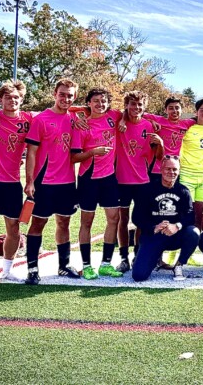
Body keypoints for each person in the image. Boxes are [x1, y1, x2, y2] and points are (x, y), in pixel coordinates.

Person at [23, 78, 83, 285]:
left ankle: (64, 265)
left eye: (70, 95)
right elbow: (31, 153)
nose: (66, 98)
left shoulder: (74, 119)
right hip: (44, 182)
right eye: (62, 94)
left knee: (64, 222)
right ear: (54, 94)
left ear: (74, 97)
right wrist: (30, 181)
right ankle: (32, 268)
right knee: (38, 223)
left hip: (67, 182)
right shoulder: (41, 119)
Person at [0, 80, 33, 285]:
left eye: (16, 97)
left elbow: (59, 110)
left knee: (14, 228)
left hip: (12, 183)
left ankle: (8, 271)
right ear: (0, 100)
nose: (12, 101)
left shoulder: (28, 120)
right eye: (8, 97)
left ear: (22, 99)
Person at [70, 87, 121, 279]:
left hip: (109, 178)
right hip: (88, 179)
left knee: (113, 219)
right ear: (89, 103)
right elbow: (74, 158)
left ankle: (106, 264)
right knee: (87, 222)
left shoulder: (113, 116)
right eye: (96, 101)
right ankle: (86, 265)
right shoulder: (82, 125)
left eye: (104, 101)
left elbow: (131, 112)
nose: (100, 104)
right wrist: (93, 152)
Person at [115, 90, 164, 273]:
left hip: (143, 181)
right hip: (121, 180)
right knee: (122, 219)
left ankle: (137, 254)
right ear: (127, 105)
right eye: (132, 104)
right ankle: (123, 258)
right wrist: (121, 118)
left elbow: (159, 157)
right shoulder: (119, 124)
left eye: (140, 105)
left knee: (141, 221)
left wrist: (160, 143)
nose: (136, 108)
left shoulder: (149, 126)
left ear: (144, 107)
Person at [131, 156, 200, 282]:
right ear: (161, 169)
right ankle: (153, 259)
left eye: (175, 169)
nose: (171, 172)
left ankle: (179, 265)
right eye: (168, 169)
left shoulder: (183, 191)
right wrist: (154, 227)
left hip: (175, 235)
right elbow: (136, 217)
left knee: (193, 232)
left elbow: (190, 217)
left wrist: (176, 226)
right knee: (139, 276)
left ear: (179, 171)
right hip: (154, 236)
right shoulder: (147, 190)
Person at [178, 98, 203, 228]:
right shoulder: (187, 127)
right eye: (202, 110)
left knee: (201, 215)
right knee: (186, 212)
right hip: (187, 175)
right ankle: (185, 242)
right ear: (196, 111)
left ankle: (198, 242)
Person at [144, 96, 194, 186]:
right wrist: (151, 121)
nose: (174, 111)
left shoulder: (186, 124)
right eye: (171, 108)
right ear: (165, 111)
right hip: (157, 168)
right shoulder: (159, 120)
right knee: (154, 198)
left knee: (172, 197)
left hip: (175, 169)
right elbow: (137, 114)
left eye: (177, 108)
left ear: (181, 110)